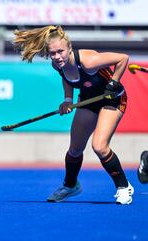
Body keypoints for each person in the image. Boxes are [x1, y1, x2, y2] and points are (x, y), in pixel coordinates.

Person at [13, 25, 134, 204]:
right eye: (53, 53)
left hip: (112, 99)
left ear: (69, 47)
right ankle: (70, 186)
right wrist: (68, 99)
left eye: (60, 51)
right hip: (89, 99)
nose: (57, 56)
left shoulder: (89, 61)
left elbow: (123, 58)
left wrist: (114, 83)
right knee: (75, 149)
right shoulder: (57, 64)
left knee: (99, 146)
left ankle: (124, 187)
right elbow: (67, 77)